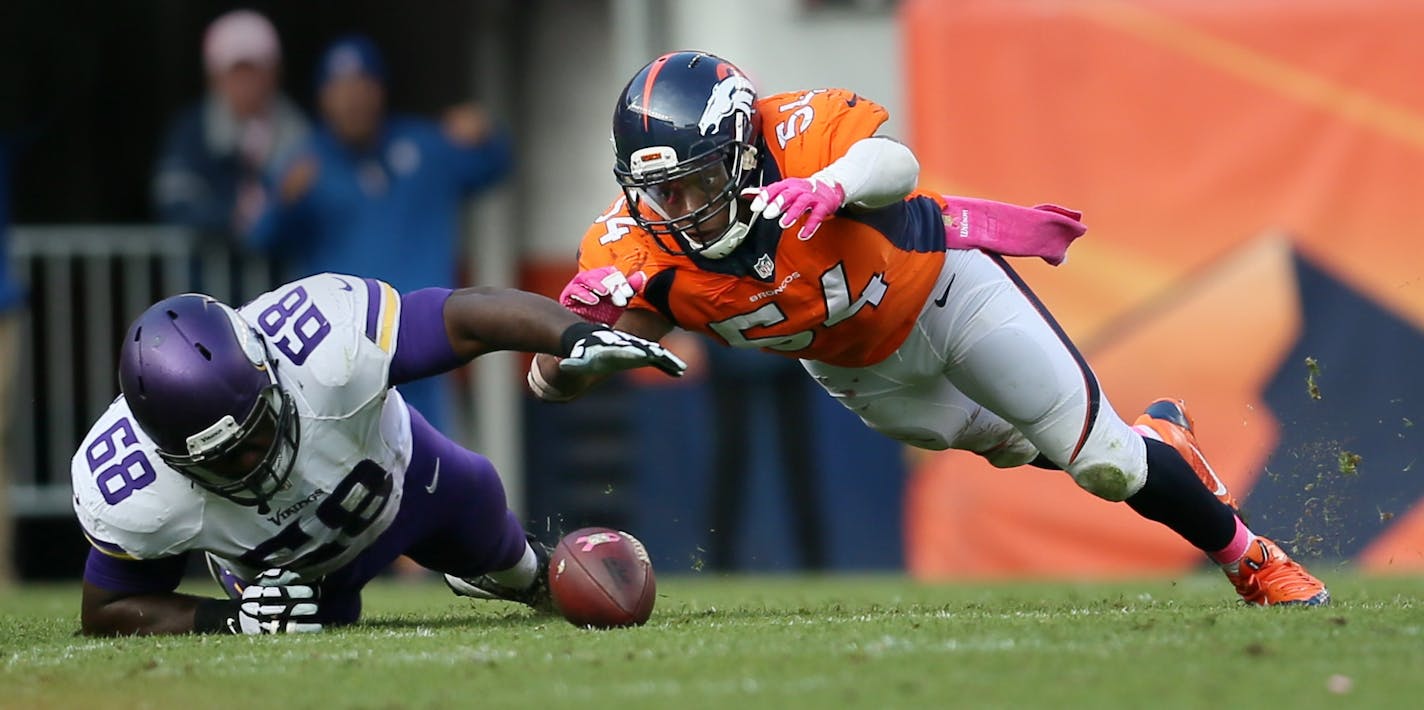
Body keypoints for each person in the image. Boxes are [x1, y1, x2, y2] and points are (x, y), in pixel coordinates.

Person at [539, 50, 1328, 606]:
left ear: (743, 150)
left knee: (1106, 468)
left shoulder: (797, 132)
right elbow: (555, 378)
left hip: (946, 294)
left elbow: (895, 164)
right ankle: (1162, 446)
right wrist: (580, 344)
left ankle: (1253, 559)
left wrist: (831, 184)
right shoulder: (628, 247)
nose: (680, 210)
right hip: (861, 375)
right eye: (661, 193)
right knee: (1056, 446)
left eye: (699, 182)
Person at [71, 273, 685, 635]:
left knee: (498, 530)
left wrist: (573, 334)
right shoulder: (131, 484)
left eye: (257, 431)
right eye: (225, 460)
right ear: (168, 456)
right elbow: (108, 608)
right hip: (294, 576)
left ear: (268, 369)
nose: (256, 462)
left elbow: (466, 316)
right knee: (319, 626)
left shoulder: (323, 344)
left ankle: (505, 571)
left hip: (412, 481)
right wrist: (227, 621)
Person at [248, 34, 513, 433]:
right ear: (323, 99)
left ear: (380, 91)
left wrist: (485, 133)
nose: (353, 99)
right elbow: (258, 238)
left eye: (362, 85)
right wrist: (282, 202)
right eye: (340, 89)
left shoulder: (422, 145)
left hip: (421, 333)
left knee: (433, 464)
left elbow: (495, 165)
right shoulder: (304, 162)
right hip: (341, 352)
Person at [151, 9, 309, 238]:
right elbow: (174, 203)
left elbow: (316, 213)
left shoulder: (299, 130)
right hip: (208, 271)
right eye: (236, 71)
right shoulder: (190, 131)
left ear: (275, 73)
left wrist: (284, 206)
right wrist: (233, 216)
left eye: (255, 70)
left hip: (285, 271)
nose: (246, 82)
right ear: (214, 76)